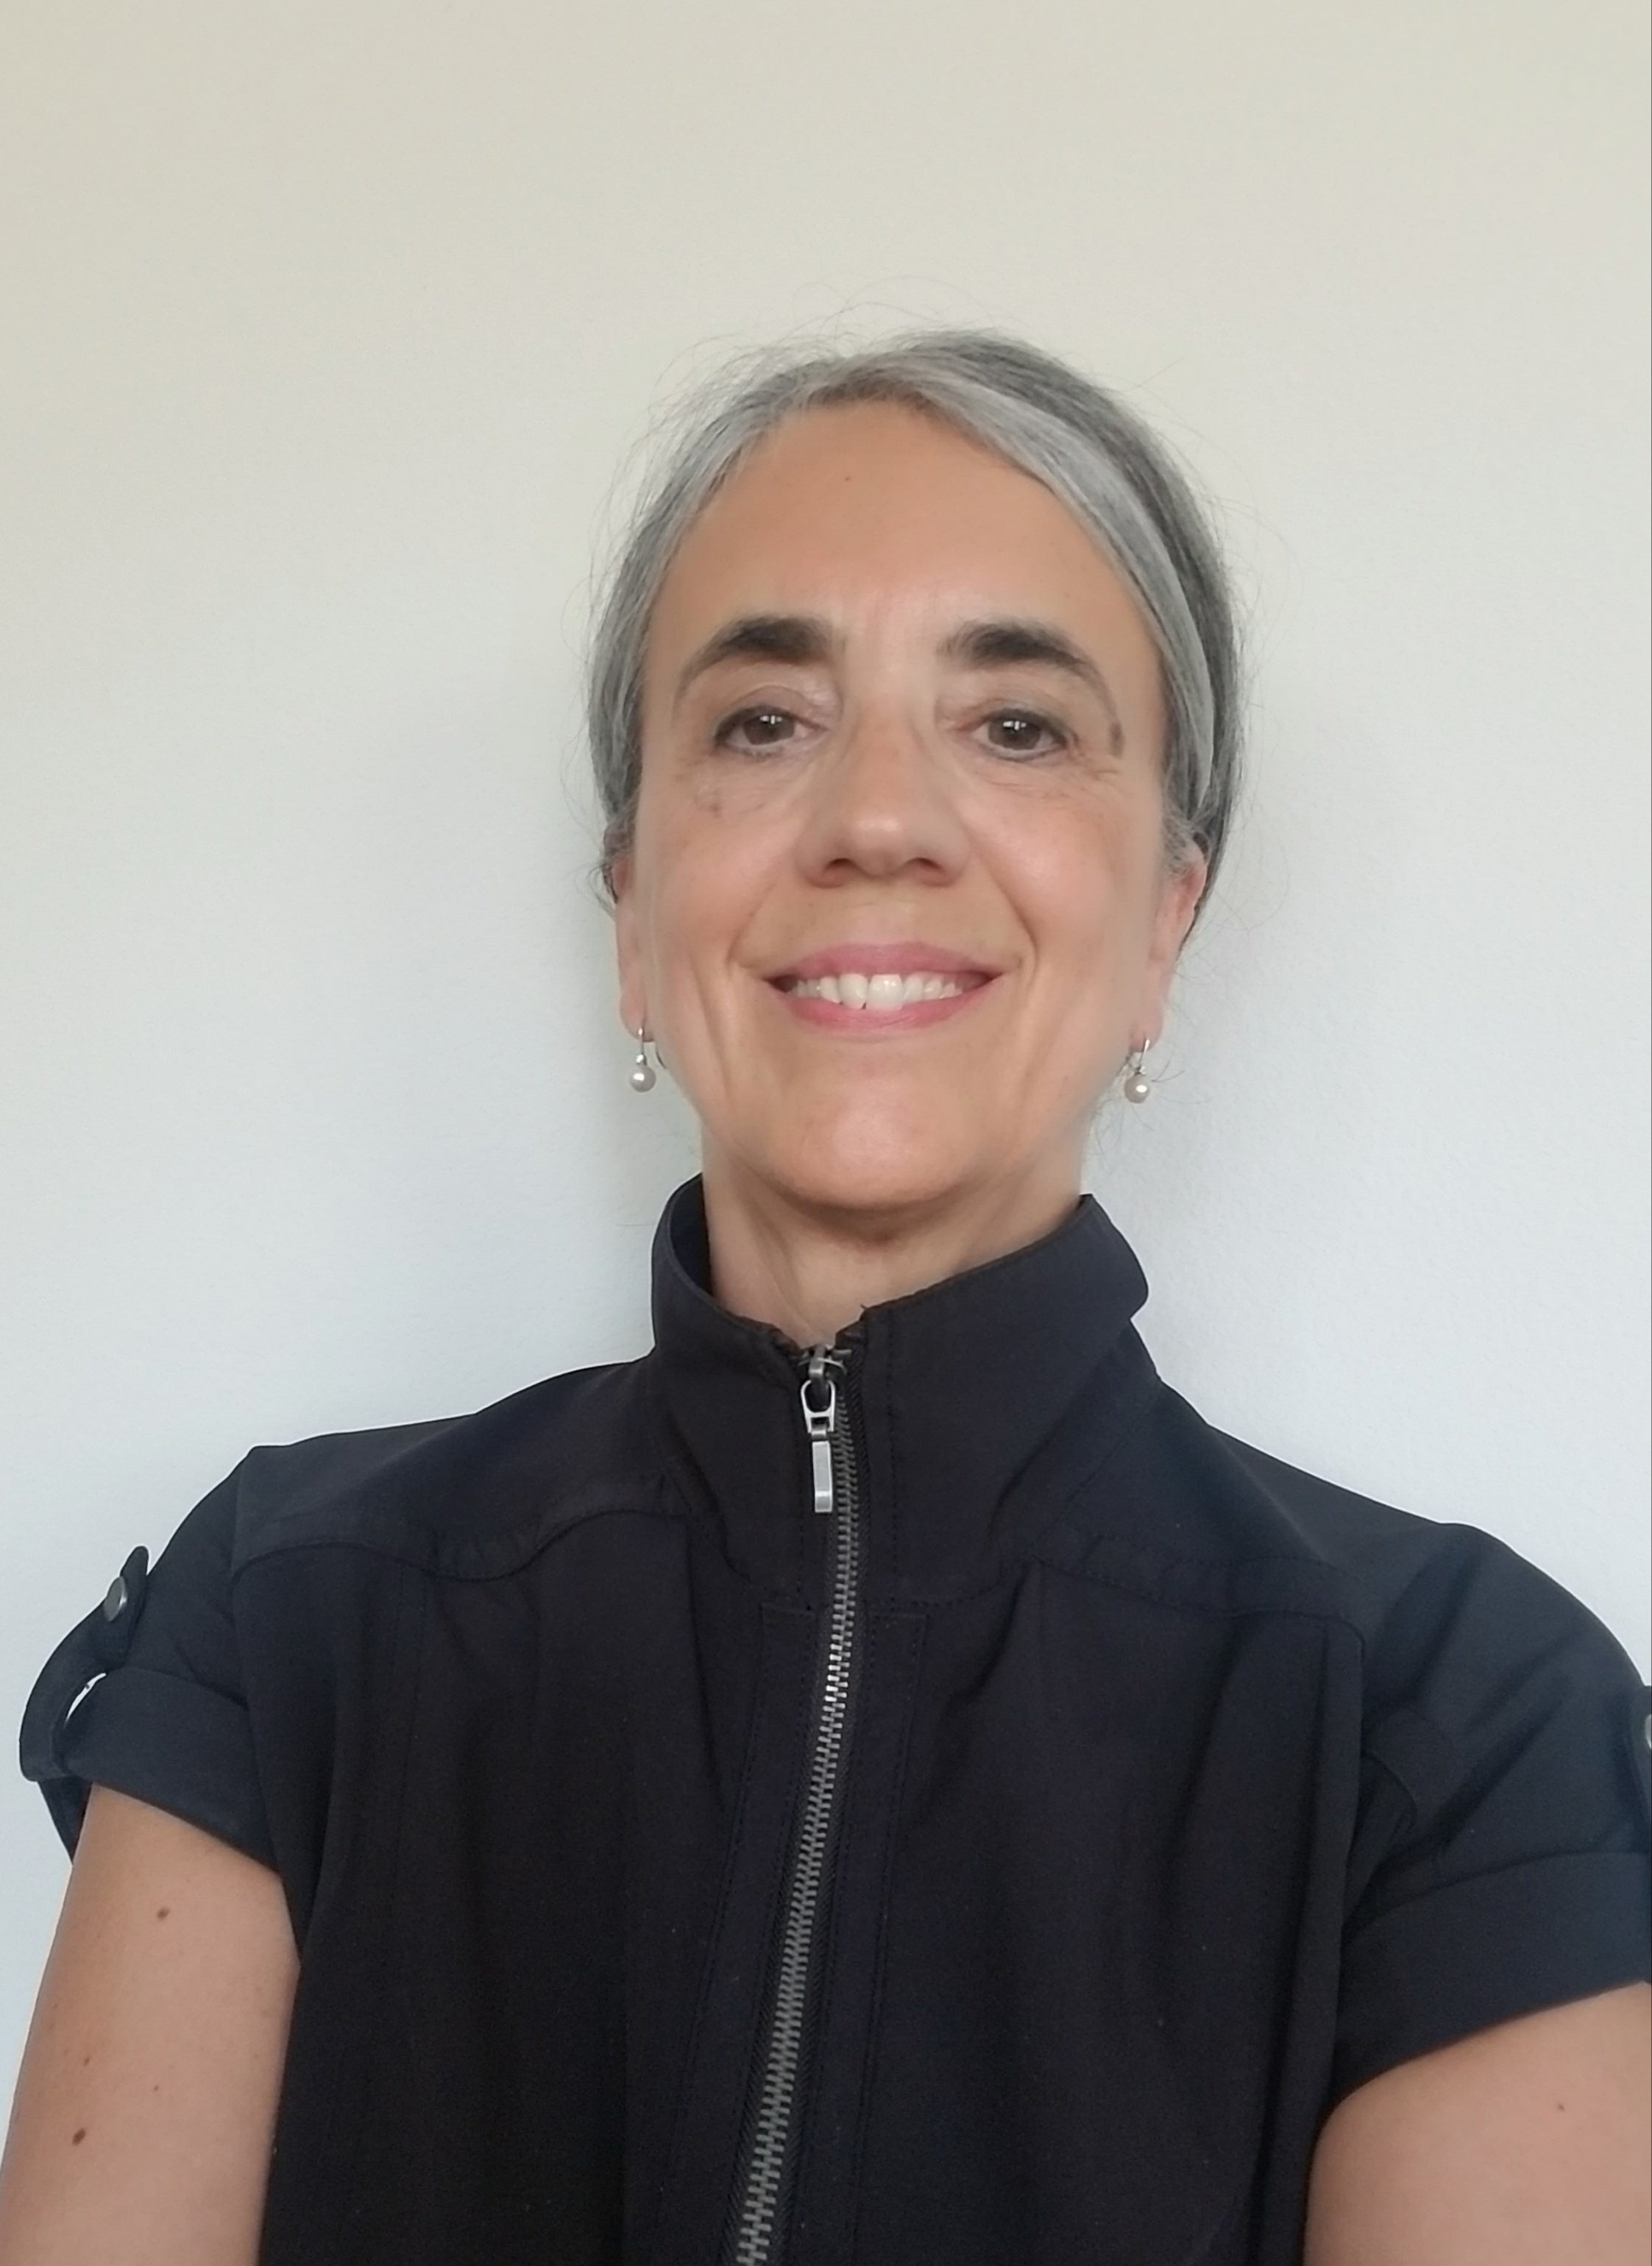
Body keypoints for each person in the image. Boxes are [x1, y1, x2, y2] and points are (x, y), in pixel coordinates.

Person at [2, 330, 1647, 2266]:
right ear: (634, 909)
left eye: (1017, 724)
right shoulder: (282, 1620)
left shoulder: (1467, 1719)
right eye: (765, 722)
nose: (879, 815)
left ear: (1165, 922)